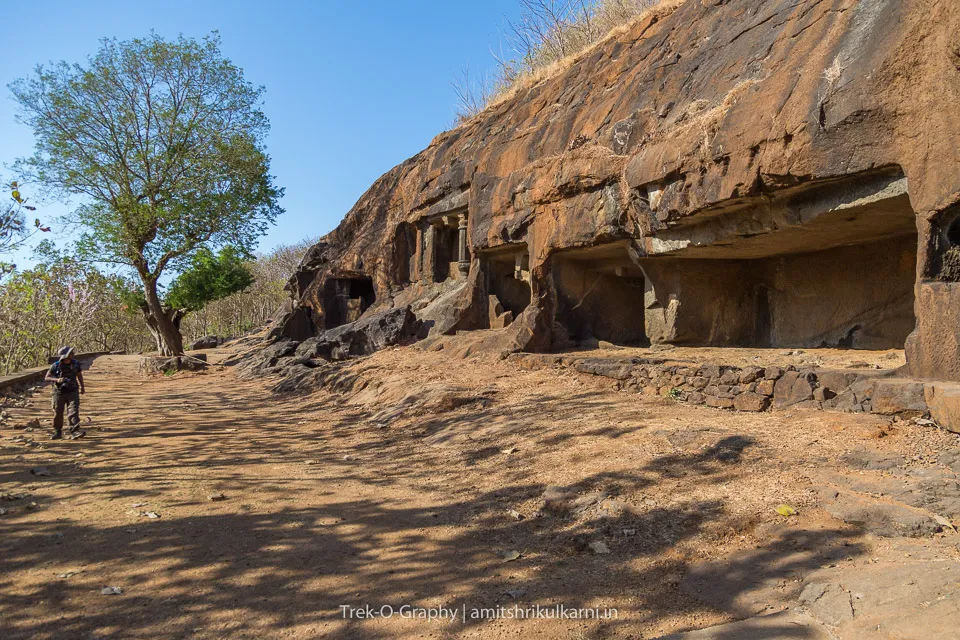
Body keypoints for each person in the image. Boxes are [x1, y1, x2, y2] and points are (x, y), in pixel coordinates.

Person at [45, 346, 86, 440]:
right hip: (58, 392)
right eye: (71, 353)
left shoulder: (76, 364)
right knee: (58, 412)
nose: (73, 354)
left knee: (73, 411)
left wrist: (82, 386)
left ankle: (74, 430)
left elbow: (79, 375)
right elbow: (46, 377)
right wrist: (57, 380)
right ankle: (57, 431)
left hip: (73, 390)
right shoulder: (55, 365)